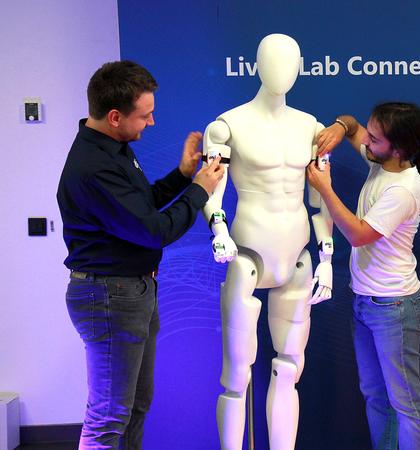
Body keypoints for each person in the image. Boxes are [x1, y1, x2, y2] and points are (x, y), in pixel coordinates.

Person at [56, 60, 224, 449]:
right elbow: (155, 231)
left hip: (130, 293)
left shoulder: (114, 148)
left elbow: (141, 207)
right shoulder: (95, 166)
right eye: (145, 116)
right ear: (115, 116)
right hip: (109, 297)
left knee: (134, 406)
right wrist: (199, 189)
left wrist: (183, 175)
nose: (151, 123)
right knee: (109, 415)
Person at [201, 33, 334, 450]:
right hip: (246, 254)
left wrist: (327, 255)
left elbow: (320, 199)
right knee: (236, 376)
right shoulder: (227, 126)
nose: (281, 70)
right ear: (256, 65)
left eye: (289, 61)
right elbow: (211, 189)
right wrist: (218, 230)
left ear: (300, 66)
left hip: (297, 254)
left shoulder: (312, 129)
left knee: (289, 368)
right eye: (272, 61)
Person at [308, 102, 420, 450]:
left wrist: (325, 188)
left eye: (375, 139)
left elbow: (359, 234)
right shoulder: (383, 161)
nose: (367, 142)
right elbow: (350, 124)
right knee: (375, 395)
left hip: (393, 306)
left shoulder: (403, 190)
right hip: (366, 301)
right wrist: (339, 125)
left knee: (407, 403)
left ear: (399, 148)